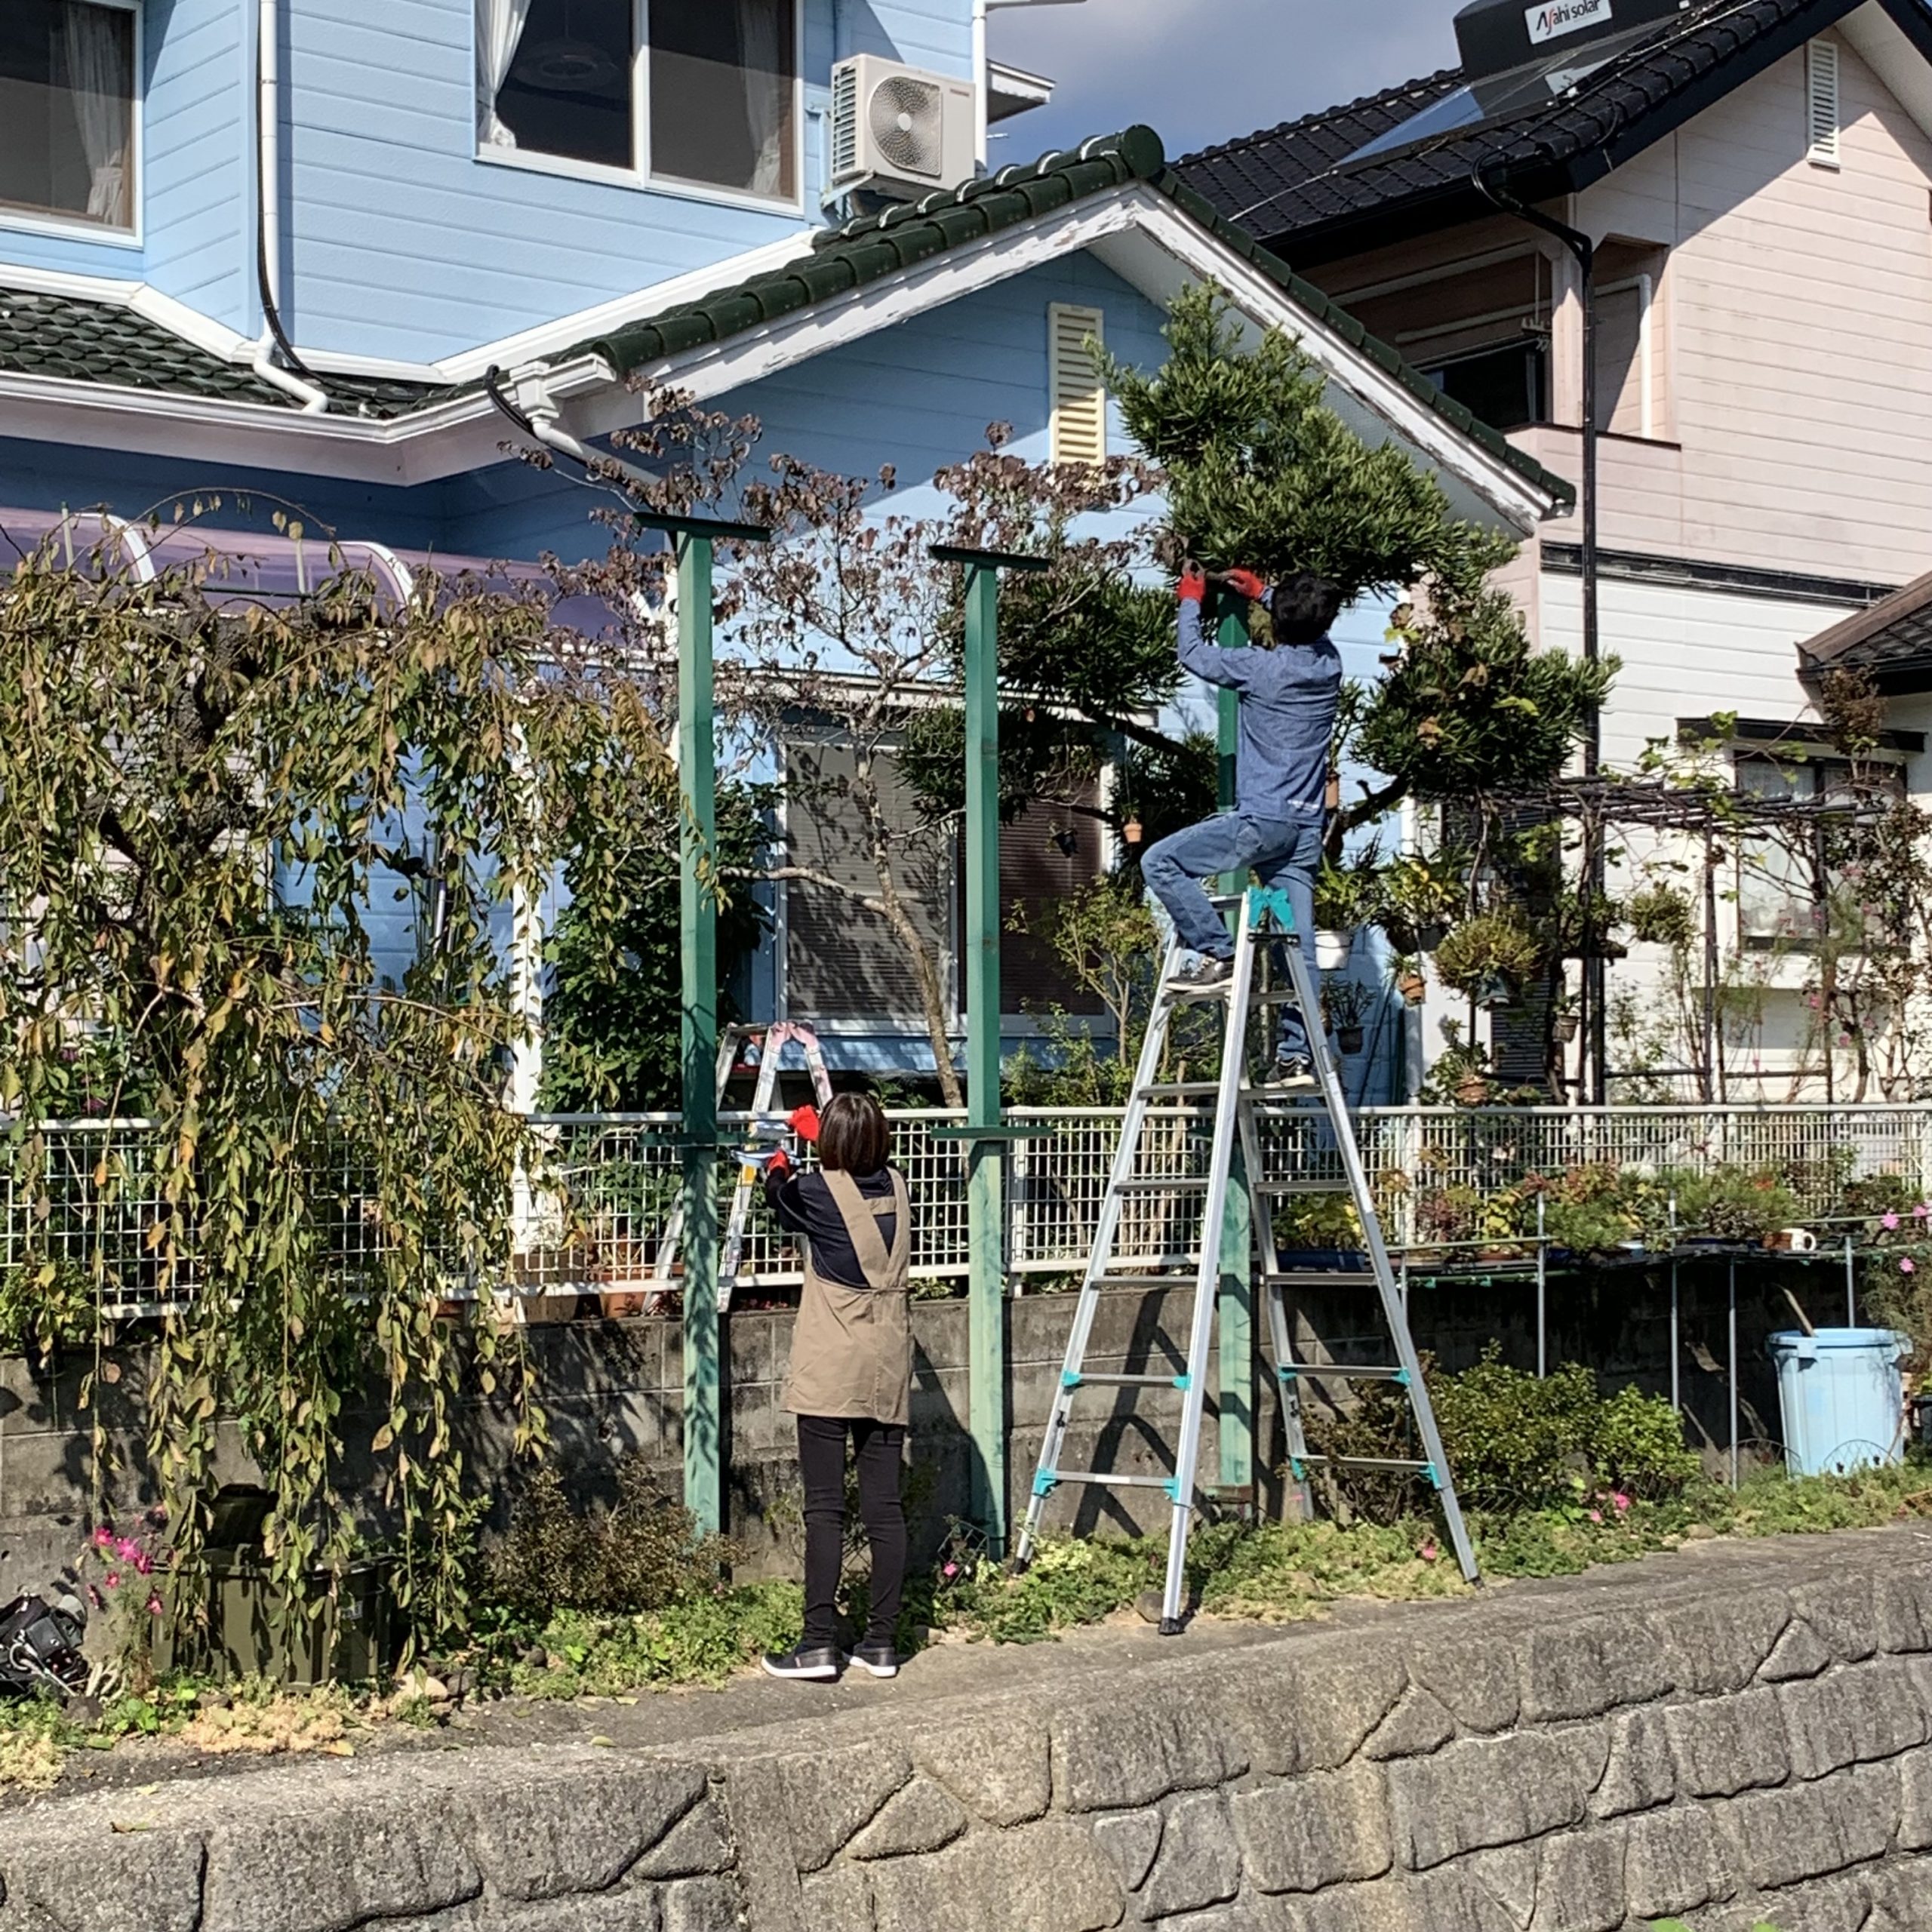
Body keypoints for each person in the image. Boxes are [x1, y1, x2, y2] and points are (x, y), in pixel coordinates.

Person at [1140, 565, 1346, 1087]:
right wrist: (1264, 593)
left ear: (1277, 622)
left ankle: (1218, 951)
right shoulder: (1329, 665)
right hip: (1303, 833)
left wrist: (1191, 600)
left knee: (1159, 861)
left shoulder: (1262, 669)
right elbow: (1306, 629)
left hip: (1262, 822)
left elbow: (1192, 654)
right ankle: (1296, 1056)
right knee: (1299, 946)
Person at [758, 1091, 912, 1684]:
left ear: (828, 1146)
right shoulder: (898, 1186)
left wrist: (781, 1159)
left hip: (831, 1364)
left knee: (825, 1508)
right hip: (888, 1365)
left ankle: (818, 1643)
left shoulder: (817, 1190)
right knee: (884, 1508)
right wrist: (822, 1135)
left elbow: (783, 1198)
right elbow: (852, 1176)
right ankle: (880, 1644)